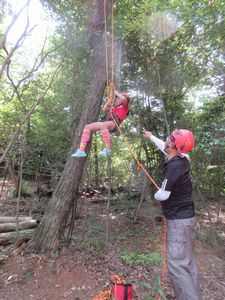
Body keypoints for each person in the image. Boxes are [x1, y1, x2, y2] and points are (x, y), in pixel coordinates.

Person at [143, 129, 202, 300]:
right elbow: (165, 147)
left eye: (170, 139)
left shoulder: (174, 167)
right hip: (188, 220)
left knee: (177, 266)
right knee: (188, 263)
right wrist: (151, 137)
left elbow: (163, 195)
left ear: (174, 146)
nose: (167, 140)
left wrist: (156, 193)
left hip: (179, 223)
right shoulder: (183, 159)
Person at [71, 89, 130, 157]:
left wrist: (117, 93)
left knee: (103, 125)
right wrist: (111, 98)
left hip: (114, 123)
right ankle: (81, 150)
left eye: (118, 99)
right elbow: (104, 109)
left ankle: (108, 150)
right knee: (87, 127)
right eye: (116, 98)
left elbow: (124, 99)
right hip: (105, 122)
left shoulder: (125, 107)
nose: (116, 100)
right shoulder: (114, 108)